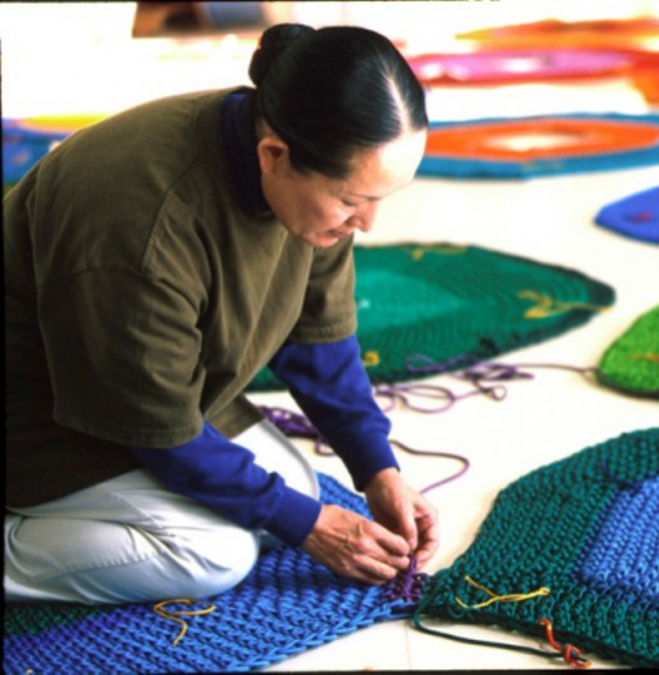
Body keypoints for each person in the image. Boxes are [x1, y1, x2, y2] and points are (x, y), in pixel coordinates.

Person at [4, 23, 439, 604]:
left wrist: (378, 469)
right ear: (273, 155)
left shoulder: (303, 162)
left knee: (294, 491)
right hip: (41, 416)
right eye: (354, 201)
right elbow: (157, 424)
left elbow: (319, 342)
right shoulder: (141, 228)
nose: (368, 224)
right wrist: (310, 526)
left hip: (142, 386)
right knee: (213, 553)